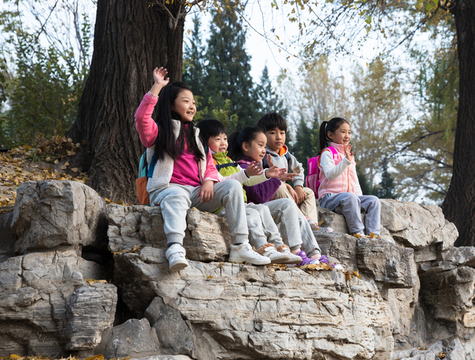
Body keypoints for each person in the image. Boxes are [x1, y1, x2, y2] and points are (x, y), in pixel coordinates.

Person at [134, 67, 286, 271]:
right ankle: (175, 247)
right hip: (167, 188)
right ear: (172, 104)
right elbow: (141, 119)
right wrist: (157, 88)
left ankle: (240, 245)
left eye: (193, 102)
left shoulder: (197, 135)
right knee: (177, 195)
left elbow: (210, 169)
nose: (192, 106)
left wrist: (208, 181)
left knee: (232, 186)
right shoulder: (160, 132)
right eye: (186, 101)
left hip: (196, 192)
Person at [228, 126, 342, 269]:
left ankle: (315, 256)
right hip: (255, 210)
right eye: (260, 145)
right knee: (287, 204)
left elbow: (297, 170)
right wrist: (276, 179)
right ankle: (296, 251)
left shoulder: (257, 166)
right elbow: (258, 196)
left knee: (300, 217)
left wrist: (276, 177)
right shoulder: (243, 167)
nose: (264, 150)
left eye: (264, 146)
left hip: (262, 209)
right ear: (245, 146)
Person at [197, 119, 301, 264]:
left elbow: (248, 180)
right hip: (222, 205)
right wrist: (246, 174)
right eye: (217, 139)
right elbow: (224, 183)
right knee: (253, 213)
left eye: (225, 138)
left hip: (241, 203)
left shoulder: (229, 160)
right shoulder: (209, 162)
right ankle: (263, 247)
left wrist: (266, 174)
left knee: (262, 209)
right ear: (203, 141)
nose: (223, 143)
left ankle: (278, 246)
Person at [257, 112, 331, 233]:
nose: (278, 137)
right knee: (279, 186)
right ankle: (303, 221)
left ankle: (313, 225)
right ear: (262, 135)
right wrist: (284, 184)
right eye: (272, 133)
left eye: (282, 133)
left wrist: (297, 186)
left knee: (308, 192)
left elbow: (298, 169)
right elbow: (258, 176)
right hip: (270, 195)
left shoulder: (286, 155)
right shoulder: (262, 154)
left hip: (286, 192)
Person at [317, 118, 381, 238]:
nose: (347, 136)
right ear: (330, 135)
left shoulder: (349, 156)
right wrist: (345, 161)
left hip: (348, 198)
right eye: (343, 132)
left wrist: (359, 199)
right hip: (329, 197)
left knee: (373, 200)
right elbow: (330, 175)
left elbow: (354, 180)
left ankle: (374, 234)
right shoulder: (327, 153)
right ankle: (358, 232)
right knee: (350, 197)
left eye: (349, 132)